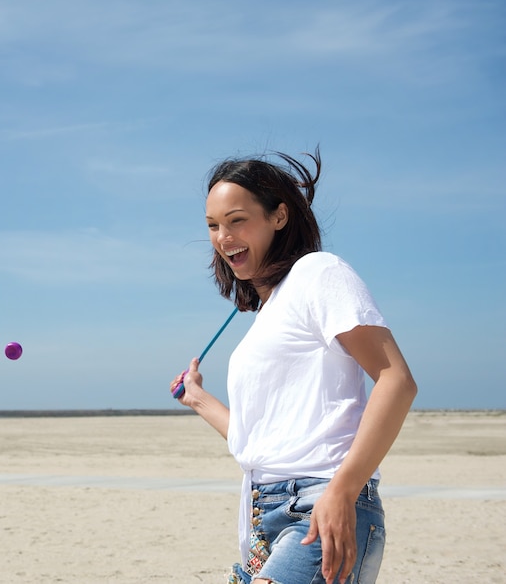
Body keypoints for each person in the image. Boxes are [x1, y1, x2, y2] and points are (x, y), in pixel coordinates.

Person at [170, 149, 417, 584]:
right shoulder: (268, 310)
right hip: (264, 516)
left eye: (237, 220)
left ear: (279, 216)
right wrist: (199, 399)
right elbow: (266, 439)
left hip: (322, 505)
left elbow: (396, 380)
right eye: (213, 226)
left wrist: (343, 489)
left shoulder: (318, 273)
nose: (223, 237)